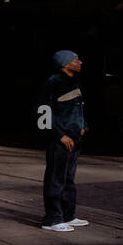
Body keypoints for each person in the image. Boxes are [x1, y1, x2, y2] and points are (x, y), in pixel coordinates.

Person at [38, 50, 88, 233]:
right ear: (65, 64)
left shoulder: (74, 81)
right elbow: (43, 112)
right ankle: (52, 219)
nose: (80, 62)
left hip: (74, 139)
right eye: (76, 60)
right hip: (60, 141)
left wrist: (83, 127)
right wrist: (59, 135)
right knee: (55, 179)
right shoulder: (53, 82)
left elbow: (78, 109)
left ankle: (68, 215)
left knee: (69, 180)